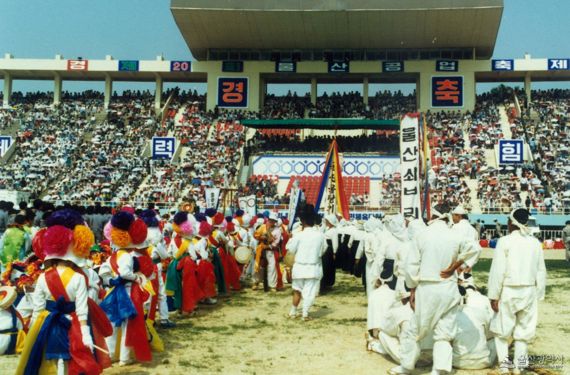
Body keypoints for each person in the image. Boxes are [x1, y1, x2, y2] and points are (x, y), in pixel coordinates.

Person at [390, 206, 480, 375]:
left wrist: (412, 289)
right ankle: (439, 370)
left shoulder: (422, 235)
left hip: (428, 287)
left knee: (415, 329)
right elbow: (475, 249)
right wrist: (456, 266)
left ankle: (406, 366)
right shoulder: (456, 235)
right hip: (449, 287)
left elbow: (412, 267)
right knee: (444, 332)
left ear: (433, 215)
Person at [16, 209, 102, 375]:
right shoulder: (78, 278)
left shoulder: (42, 278)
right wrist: (86, 333)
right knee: (73, 357)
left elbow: (37, 309)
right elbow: (82, 310)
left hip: (47, 321)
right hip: (74, 322)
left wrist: (34, 331)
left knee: (49, 359)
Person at [487, 208, 547, 374]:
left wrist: (493, 295)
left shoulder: (505, 241)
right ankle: (519, 367)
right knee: (524, 331)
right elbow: (541, 270)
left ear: (510, 222)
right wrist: (539, 293)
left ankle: (505, 366)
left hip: (508, 290)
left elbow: (498, 270)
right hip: (528, 290)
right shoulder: (534, 242)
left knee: (501, 331)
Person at [285, 205, 326, 321]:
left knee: (297, 289)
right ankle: (305, 314)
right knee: (309, 291)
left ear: (302, 221)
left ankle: (293, 312)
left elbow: (290, 249)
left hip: (299, 266)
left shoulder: (298, 235)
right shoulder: (320, 235)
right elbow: (323, 250)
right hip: (313, 267)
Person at [253, 212, 282, 292]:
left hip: (270, 250)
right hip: (261, 249)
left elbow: (276, 242)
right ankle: (256, 282)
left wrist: (268, 246)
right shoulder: (262, 226)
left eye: (273, 221)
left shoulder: (277, 230)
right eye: (270, 220)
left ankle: (272, 285)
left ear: (275, 221)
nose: (271, 222)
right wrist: (262, 237)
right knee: (258, 266)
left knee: (272, 267)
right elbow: (255, 235)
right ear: (268, 219)